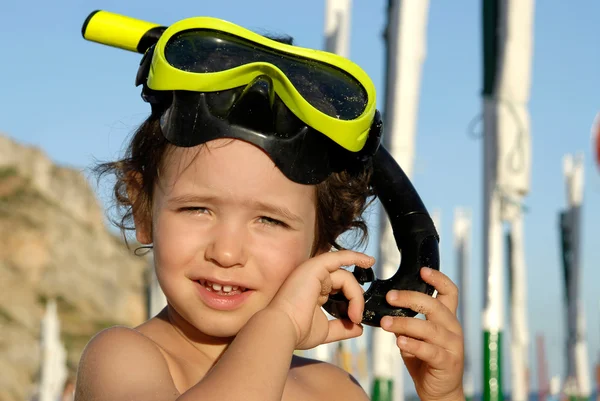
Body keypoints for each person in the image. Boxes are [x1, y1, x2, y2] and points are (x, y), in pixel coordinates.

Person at [75, 13, 465, 401]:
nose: (226, 252)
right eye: (198, 209)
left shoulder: (333, 389)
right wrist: (277, 326)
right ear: (145, 211)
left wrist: (444, 395)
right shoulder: (121, 359)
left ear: (321, 244)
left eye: (269, 219)